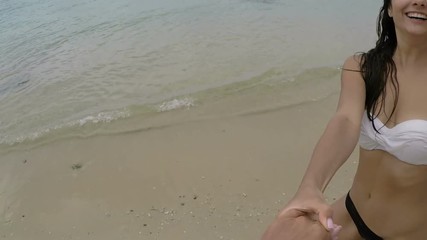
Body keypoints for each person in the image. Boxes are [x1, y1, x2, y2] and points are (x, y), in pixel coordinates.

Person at [262, 0, 427, 239]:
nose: (420, 1)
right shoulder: (362, 68)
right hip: (351, 216)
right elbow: (345, 121)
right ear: (389, 7)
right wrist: (310, 187)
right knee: (279, 233)